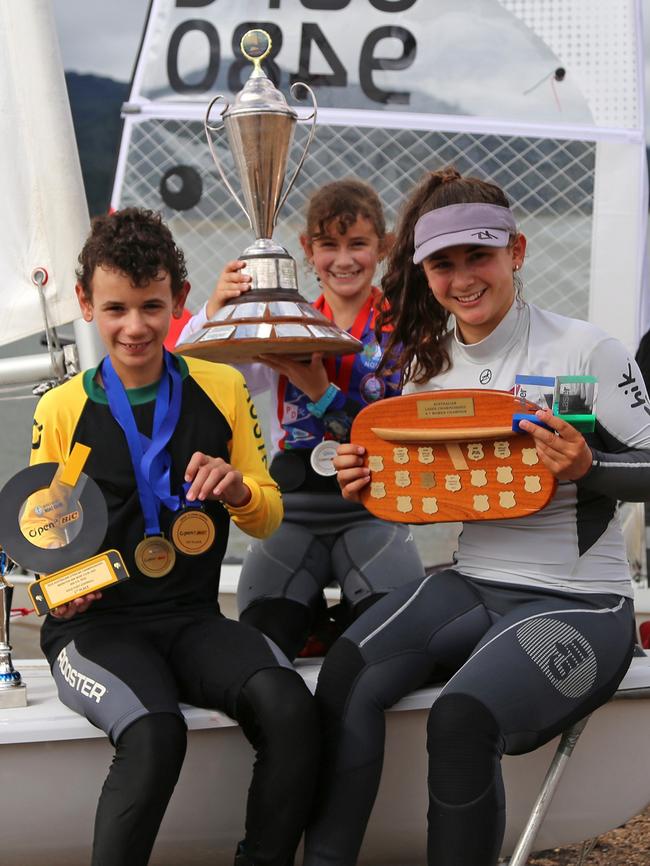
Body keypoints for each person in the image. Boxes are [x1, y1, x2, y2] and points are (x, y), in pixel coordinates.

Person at [303, 167, 650, 866]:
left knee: (461, 718)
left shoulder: (585, 349)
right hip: (476, 582)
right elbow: (418, 491)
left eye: (479, 256)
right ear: (424, 272)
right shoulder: (428, 371)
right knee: (347, 671)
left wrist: (589, 469)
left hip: (581, 601)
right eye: (443, 263)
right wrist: (365, 479)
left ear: (516, 252)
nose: (463, 278)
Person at [30, 208, 320, 866]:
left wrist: (240, 490)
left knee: (289, 706)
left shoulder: (221, 386)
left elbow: (269, 516)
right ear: (85, 303)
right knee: (157, 734)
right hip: (96, 630)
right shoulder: (64, 408)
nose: (135, 327)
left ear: (180, 301)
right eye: (116, 309)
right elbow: (43, 542)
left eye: (151, 306)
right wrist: (61, 592)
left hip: (190, 617)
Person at [178, 179, 424, 660]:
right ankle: (316, 623)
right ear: (308, 251)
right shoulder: (283, 324)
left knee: (390, 643)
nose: (344, 259)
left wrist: (321, 392)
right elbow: (194, 370)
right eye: (329, 245)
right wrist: (215, 308)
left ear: (384, 246)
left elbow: (406, 437)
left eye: (358, 244)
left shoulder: (405, 329)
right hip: (293, 511)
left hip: (375, 508)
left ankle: (333, 626)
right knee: (264, 641)